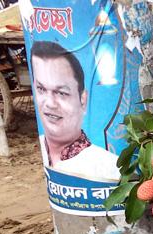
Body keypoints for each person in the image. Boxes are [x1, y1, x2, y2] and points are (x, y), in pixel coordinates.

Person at [30, 40, 121, 182]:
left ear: (82, 100)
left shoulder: (111, 168)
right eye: (41, 89)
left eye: (61, 93)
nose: (50, 104)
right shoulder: (43, 146)